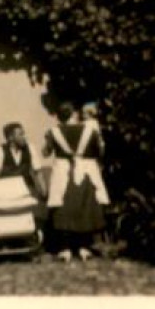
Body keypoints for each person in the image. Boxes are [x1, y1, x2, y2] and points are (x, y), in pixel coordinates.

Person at [45, 101, 106, 261]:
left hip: (63, 172)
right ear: (74, 114)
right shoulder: (90, 130)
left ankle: (65, 248)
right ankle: (84, 247)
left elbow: (46, 152)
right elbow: (99, 151)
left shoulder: (53, 132)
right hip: (85, 171)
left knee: (63, 207)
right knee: (84, 206)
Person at [0, 122, 45, 200]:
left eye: (24, 134)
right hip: (7, 191)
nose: (25, 137)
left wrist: (44, 192)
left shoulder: (31, 148)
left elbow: (38, 172)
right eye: (21, 134)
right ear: (10, 137)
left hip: (27, 190)